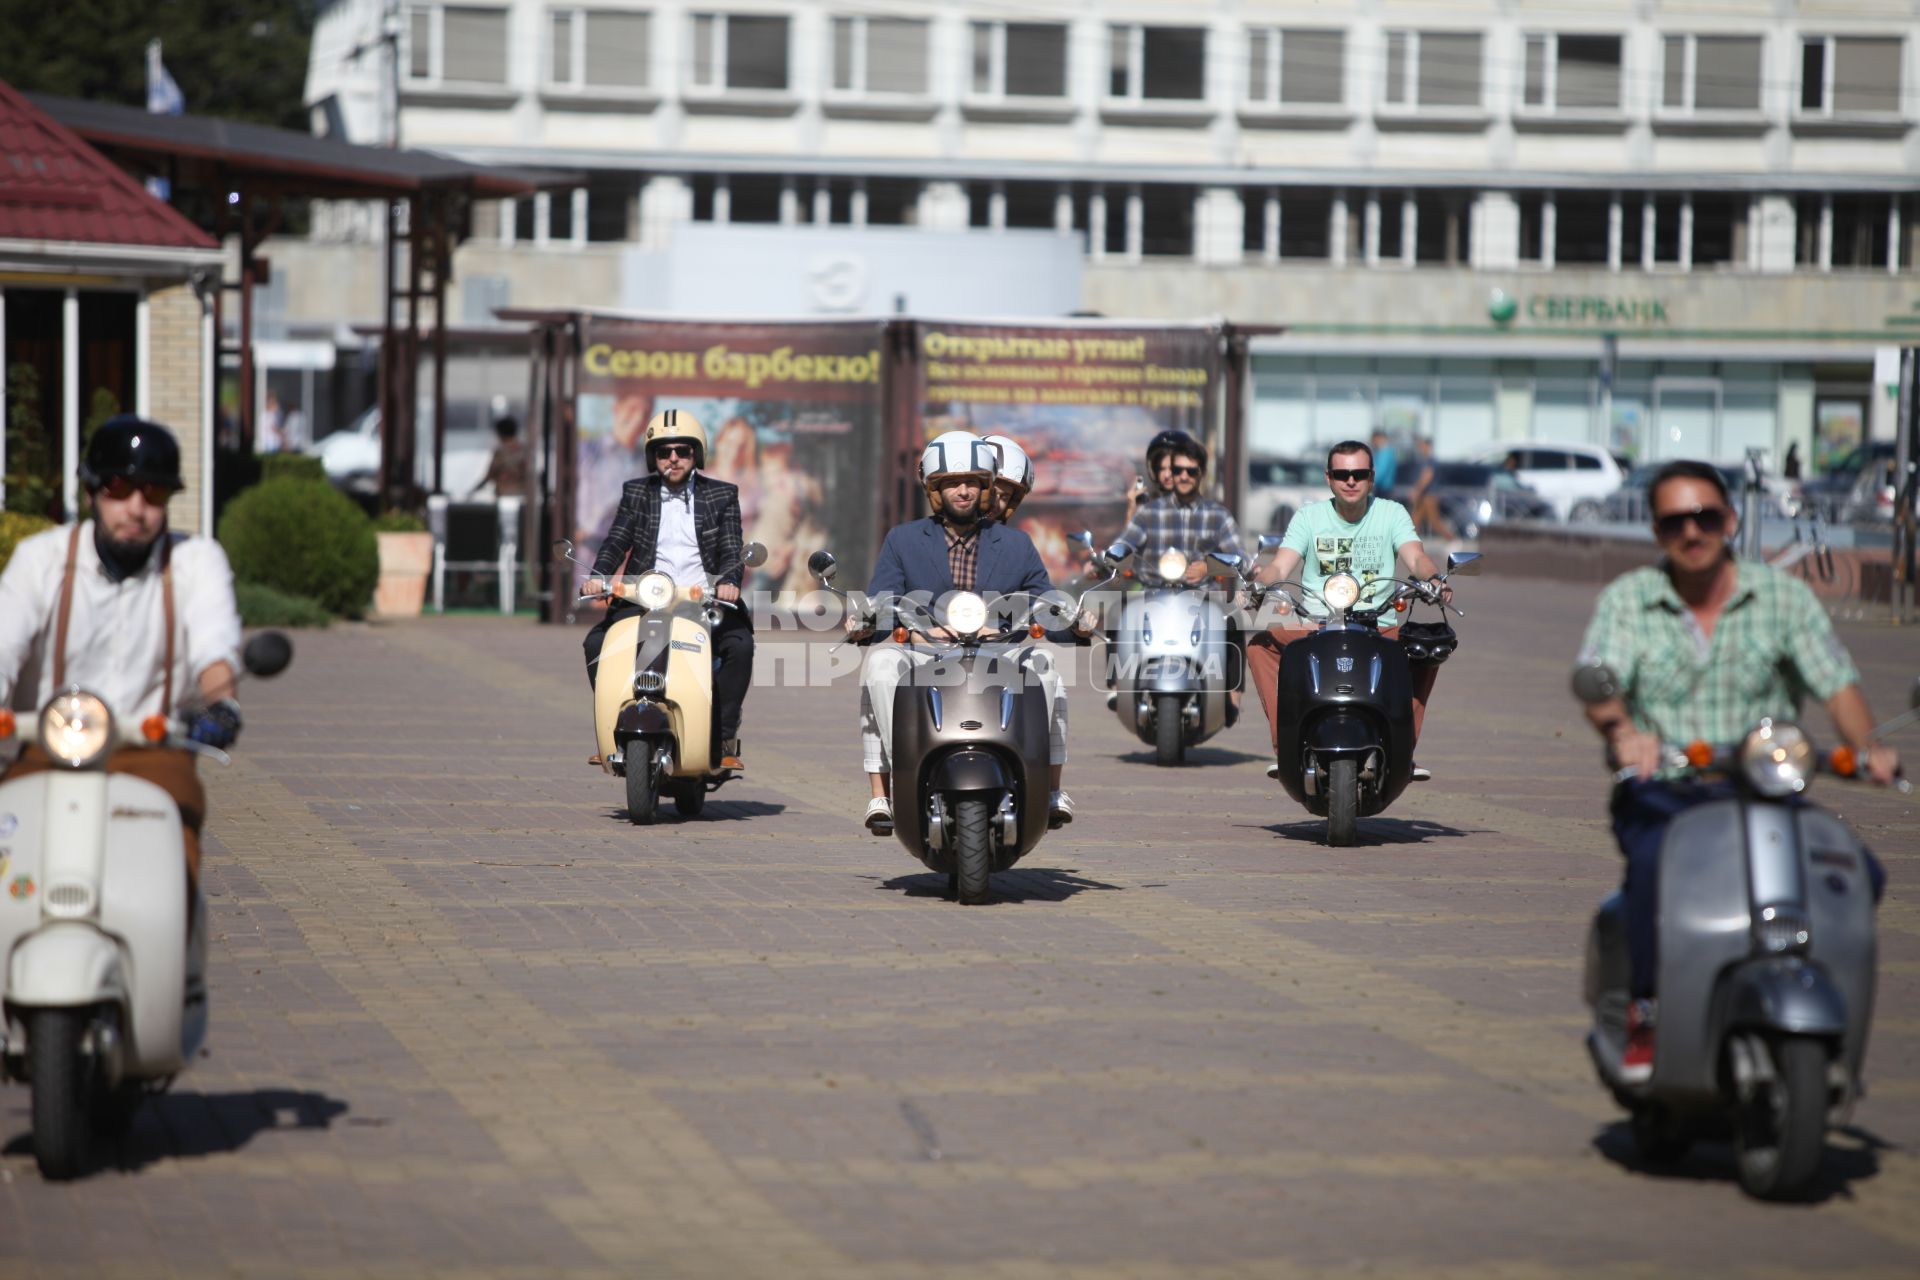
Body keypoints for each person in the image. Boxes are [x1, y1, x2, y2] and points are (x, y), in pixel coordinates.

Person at [1575, 459, 1896, 1082]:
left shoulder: (1782, 597)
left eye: (1705, 517)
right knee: (1653, 871)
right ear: (1656, 530)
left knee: (1857, 874)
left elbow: (1836, 683)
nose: (1691, 532)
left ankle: (1832, 1008)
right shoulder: (1629, 600)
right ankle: (1647, 1009)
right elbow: (1600, 684)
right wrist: (1625, 734)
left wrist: (1869, 748)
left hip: (1766, 791)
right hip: (1667, 790)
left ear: (1731, 520)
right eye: (1674, 521)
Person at [0, 416, 244, 957]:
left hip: (152, 749)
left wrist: (221, 703)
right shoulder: (42, 560)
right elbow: (4, 642)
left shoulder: (195, 562)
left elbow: (214, 645)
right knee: (7, 850)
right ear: (92, 492)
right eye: (119, 488)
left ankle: (172, 980)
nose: (136, 507)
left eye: (153, 492)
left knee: (173, 849)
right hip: (50, 748)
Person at [849, 430, 1089, 834]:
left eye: (974, 483)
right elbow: (882, 604)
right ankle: (897, 783)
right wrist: (864, 624)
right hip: (926, 654)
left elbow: (1048, 604)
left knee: (1045, 663)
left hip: (998, 653)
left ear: (986, 488)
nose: (963, 491)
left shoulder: (1017, 545)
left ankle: (1047, 788)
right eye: (952, 483)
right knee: (881, 664)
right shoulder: (903, 540)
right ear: (933, 489)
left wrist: (1076, 621)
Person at [1251, 439, 1451, 781]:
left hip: (1380, 627)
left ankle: (1403, 750)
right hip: (1314, 626)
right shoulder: (1309, 517)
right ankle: (1286, 747)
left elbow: (1416, 556)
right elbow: (1281, 567)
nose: (1351, 481)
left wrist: (1433, 579)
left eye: (1359, 473)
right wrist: (1259, 583)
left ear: (1371, 477)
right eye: (1342, 473)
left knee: (1425, 651)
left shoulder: (1391, 513)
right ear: (1329, 478)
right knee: (1259, 646)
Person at [581, 409, 753, 772]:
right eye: (663, 452)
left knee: (739, 647)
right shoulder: (636, 492)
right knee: (596, 644)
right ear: (652, 457)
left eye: (682, 451)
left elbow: (731, 548)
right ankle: (611, 733)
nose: (673, 458)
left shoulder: (722, 495)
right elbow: (617, 540)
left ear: (696, 455)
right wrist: (599, 575)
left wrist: (729, 582)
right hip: (645, 598)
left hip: (702, 600)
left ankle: (722, 736)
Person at [1111, 429, 1248, 722]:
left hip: (1203, 598)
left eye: (1191, 470)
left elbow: (1241, 556)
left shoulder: (1218, 515)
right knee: (1118, 609)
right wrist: (1108, 556)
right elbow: (1125, 543)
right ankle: (1119, 683)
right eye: (1178, 470)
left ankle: (1231, 691)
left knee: (1233, 617)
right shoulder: (1149, 513)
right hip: (1153, 594)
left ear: (1201, 474)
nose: (1183, 476)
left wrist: (1210, 567)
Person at [1406, 436, 1453, 541]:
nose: (1420, 448)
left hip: (1429, 496)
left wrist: (1416, 491)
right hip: (1424, 496)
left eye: (1422, 445)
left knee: (1434, 522)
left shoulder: (1431, 461)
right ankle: (1413, 544)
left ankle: (1452, 540)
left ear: (1427, 446)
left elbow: (1427, 477)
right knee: (1415, 520)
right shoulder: (1426, 461)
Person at [1371, 429, 1398, 500]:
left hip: (1384, 489)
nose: (1373, 442)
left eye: (1374, 440)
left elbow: (1380, 472)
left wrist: (1369, 482)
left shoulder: (1385, 452)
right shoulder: (1382, 451)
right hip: (1383, 488)